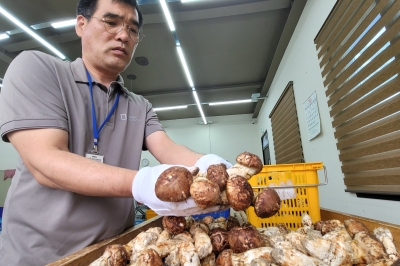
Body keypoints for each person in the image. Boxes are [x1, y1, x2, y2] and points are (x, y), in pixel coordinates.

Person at [0, 0, 231, 264]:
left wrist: (209, 164)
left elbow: (168, 149)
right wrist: (141, 184)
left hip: (116, 253)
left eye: (133, 30)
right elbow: (45, 161)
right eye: (111, 23)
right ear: (81, 24)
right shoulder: (38, 69)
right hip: (41, 257)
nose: (124, 35)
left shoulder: (139, 105)